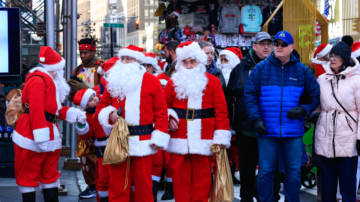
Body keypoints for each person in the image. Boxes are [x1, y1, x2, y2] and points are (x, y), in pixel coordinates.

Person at [244, 31, 320, 202]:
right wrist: (256, 119)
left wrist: (303, 110)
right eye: (276, 43)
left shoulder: (302, 71)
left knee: (293, 173)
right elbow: (249, 95)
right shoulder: (261, 69)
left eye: (283, 44)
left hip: (293, 133)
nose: (278, 47)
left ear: (292, 47)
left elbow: (315, 94)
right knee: (265, 172)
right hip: (267, 132)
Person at [96, 45, 170, 202]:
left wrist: (159, 136)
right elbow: (101, 107)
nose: (124, 62)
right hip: (119, 139)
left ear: (138, 62)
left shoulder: (151, 81)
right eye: (122, 59)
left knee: (143, 185)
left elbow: (161, 112)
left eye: (128, 59)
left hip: (144, 140)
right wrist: (110, 113)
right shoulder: (114, 81)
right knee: (117, 184)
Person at [13, 46, 86, 202]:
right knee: (29, 175)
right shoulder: (38, 80)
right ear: (54, 68)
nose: (61, 73)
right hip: (32, 135)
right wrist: (41, 137)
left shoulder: (48, 81)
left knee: (50, 175)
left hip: (49, 133)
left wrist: (75, 114)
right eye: (60, 69)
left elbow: (54, 110)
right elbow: (37, 110)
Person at [164, 41, 231, 202]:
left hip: (205, 137)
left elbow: (221, 111)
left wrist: (221, 136)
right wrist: (170, 116)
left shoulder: (213, 82)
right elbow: (163, 106)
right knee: (180, 178)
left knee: (203, 179)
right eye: (184, 62)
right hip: (179, 136)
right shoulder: (173, 82)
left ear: (199, 62)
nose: (188, 66)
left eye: (192, 61)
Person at [227, 32, 276, 202]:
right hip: (245, 127)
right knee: (247, 168)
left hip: (271, 128)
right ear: (253, 46)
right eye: (262, 44)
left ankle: (270, 197)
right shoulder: (240, 69)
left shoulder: (278, 66)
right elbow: (229, 96)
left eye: (269, 44)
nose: (266, 47)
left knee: (270, 168)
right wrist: (229, 122)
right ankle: (246, 198)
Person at [315, 40, 360, 202]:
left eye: (337, 56)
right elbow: (318, 106)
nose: (332, 58)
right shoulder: (322, 79)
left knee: (348, 181)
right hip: (325, 136)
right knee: (327, 183)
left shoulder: (356, 80)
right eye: (331, 55)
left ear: (346, 58)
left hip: (348, 138)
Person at [66, 37, 105, 199]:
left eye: (86, 52)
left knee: (99, 151)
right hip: (82, 115)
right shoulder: (77, 70)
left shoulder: (102, 67)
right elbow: (71, 96)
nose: (82, 55)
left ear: (94, 51)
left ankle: (101, 182)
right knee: (84, 151)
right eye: (81, 53)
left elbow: (108, 91)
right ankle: (91, 185)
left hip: (99, 115)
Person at [74, 88, 110, 202]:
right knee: (102, 173)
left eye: (94, 96)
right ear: (86, 105)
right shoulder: (87, 117)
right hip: (100, 146)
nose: (95, 99)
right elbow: (86, 134)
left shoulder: (105, 107)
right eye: (91, 99)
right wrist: (84, 129)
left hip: (112, 143)